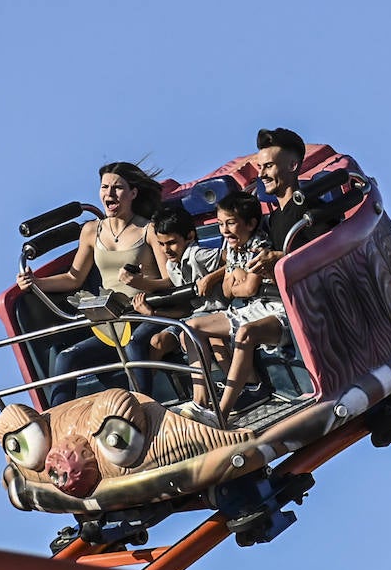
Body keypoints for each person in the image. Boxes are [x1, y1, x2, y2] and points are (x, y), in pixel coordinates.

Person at [16, 161, 165, 405]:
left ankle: (143, 410)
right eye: (105, 187)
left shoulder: (148, 230)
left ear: (133, 193)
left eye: (117, 187)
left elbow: (168, 280)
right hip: (111, 321)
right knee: (66, 358)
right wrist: (35, 282)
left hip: (141, 313)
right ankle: (57, 421)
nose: (109, 193)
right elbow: (74, 278)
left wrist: (140, 282)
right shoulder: (91, 231)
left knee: (135, 347)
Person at [177, 190, 283, 427]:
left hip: (274, 308)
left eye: (231, 223)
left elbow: (248, 289)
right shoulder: (232, 246)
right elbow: (228, 289)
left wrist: (236, 277)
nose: (224, 230)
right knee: (190, 328)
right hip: (251, 308)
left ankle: (221, 416)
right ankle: (200, 402)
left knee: (245, 333)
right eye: (220, 224)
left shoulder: (259, 245)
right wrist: (238, 276)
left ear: (251, 224)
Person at [130, 202, 224, 364]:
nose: (166, 250)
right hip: (194, 315)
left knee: (192, 336)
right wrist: (152, 314)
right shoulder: (171, 266)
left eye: (171, 242)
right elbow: (185, 310)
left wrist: (211, 278)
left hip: (217, 313)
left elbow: (234, 260)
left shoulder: (197, 254)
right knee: (157, 342)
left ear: (190, 236)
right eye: (161, 244)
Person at [246, 127, 340, 279]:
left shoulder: (310, 208)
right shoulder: (274, 219)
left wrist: (282, 258)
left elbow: (332, 254)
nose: (261, 174)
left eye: (269, 166)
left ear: (292, 166)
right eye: (260, 167)